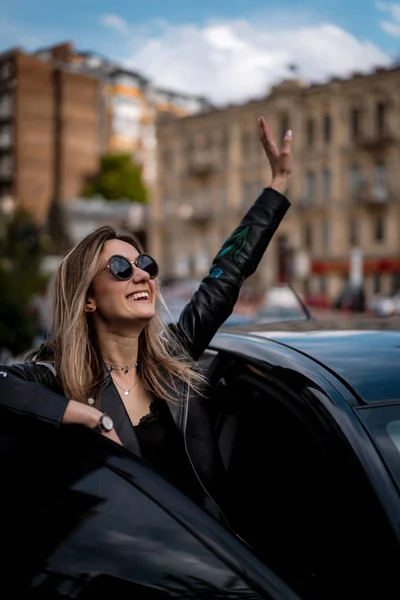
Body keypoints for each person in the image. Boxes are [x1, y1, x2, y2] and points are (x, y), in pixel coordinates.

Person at [0, 117, 292, 519]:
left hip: (215, 555)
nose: (141, 274)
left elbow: (227, 273)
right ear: (87, 299)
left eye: (145, 264)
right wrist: (85, 414)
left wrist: (276, 186)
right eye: (120, 267)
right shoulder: (56, 376)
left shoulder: (174, 353)